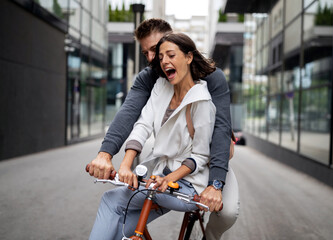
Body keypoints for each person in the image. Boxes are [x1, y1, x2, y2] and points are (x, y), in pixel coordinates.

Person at [87, 19, 239, 239]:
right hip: (165, 163)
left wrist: (216, 183)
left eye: (156, 49)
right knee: (121, 219)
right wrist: (107, 155)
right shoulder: (152, 79)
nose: (152, 58)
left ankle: (209, 237)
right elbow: (132, 115)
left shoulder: (211, 80)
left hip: (211, 160)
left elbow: (220, 131)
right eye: (147, 53)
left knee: (228, 212)